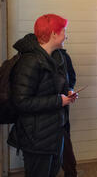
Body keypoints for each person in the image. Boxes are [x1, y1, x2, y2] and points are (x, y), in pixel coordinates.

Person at [7, 14, 77, 177]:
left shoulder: (57, 57)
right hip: (36, 137)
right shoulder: (30, 61)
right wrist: (58, 100)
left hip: (55, 132)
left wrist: (67, 93)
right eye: (63, 31)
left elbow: (54, 88)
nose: (65, 35)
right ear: (53, 34)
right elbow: (21, 102)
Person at [60, 48, 79, 177]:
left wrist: (70, 90)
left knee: (65, 142)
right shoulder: (35, 58)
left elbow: (71, 76)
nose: (64, 38)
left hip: (63, 109)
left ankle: (70, 173)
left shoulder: (64, 56)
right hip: (45, 113)